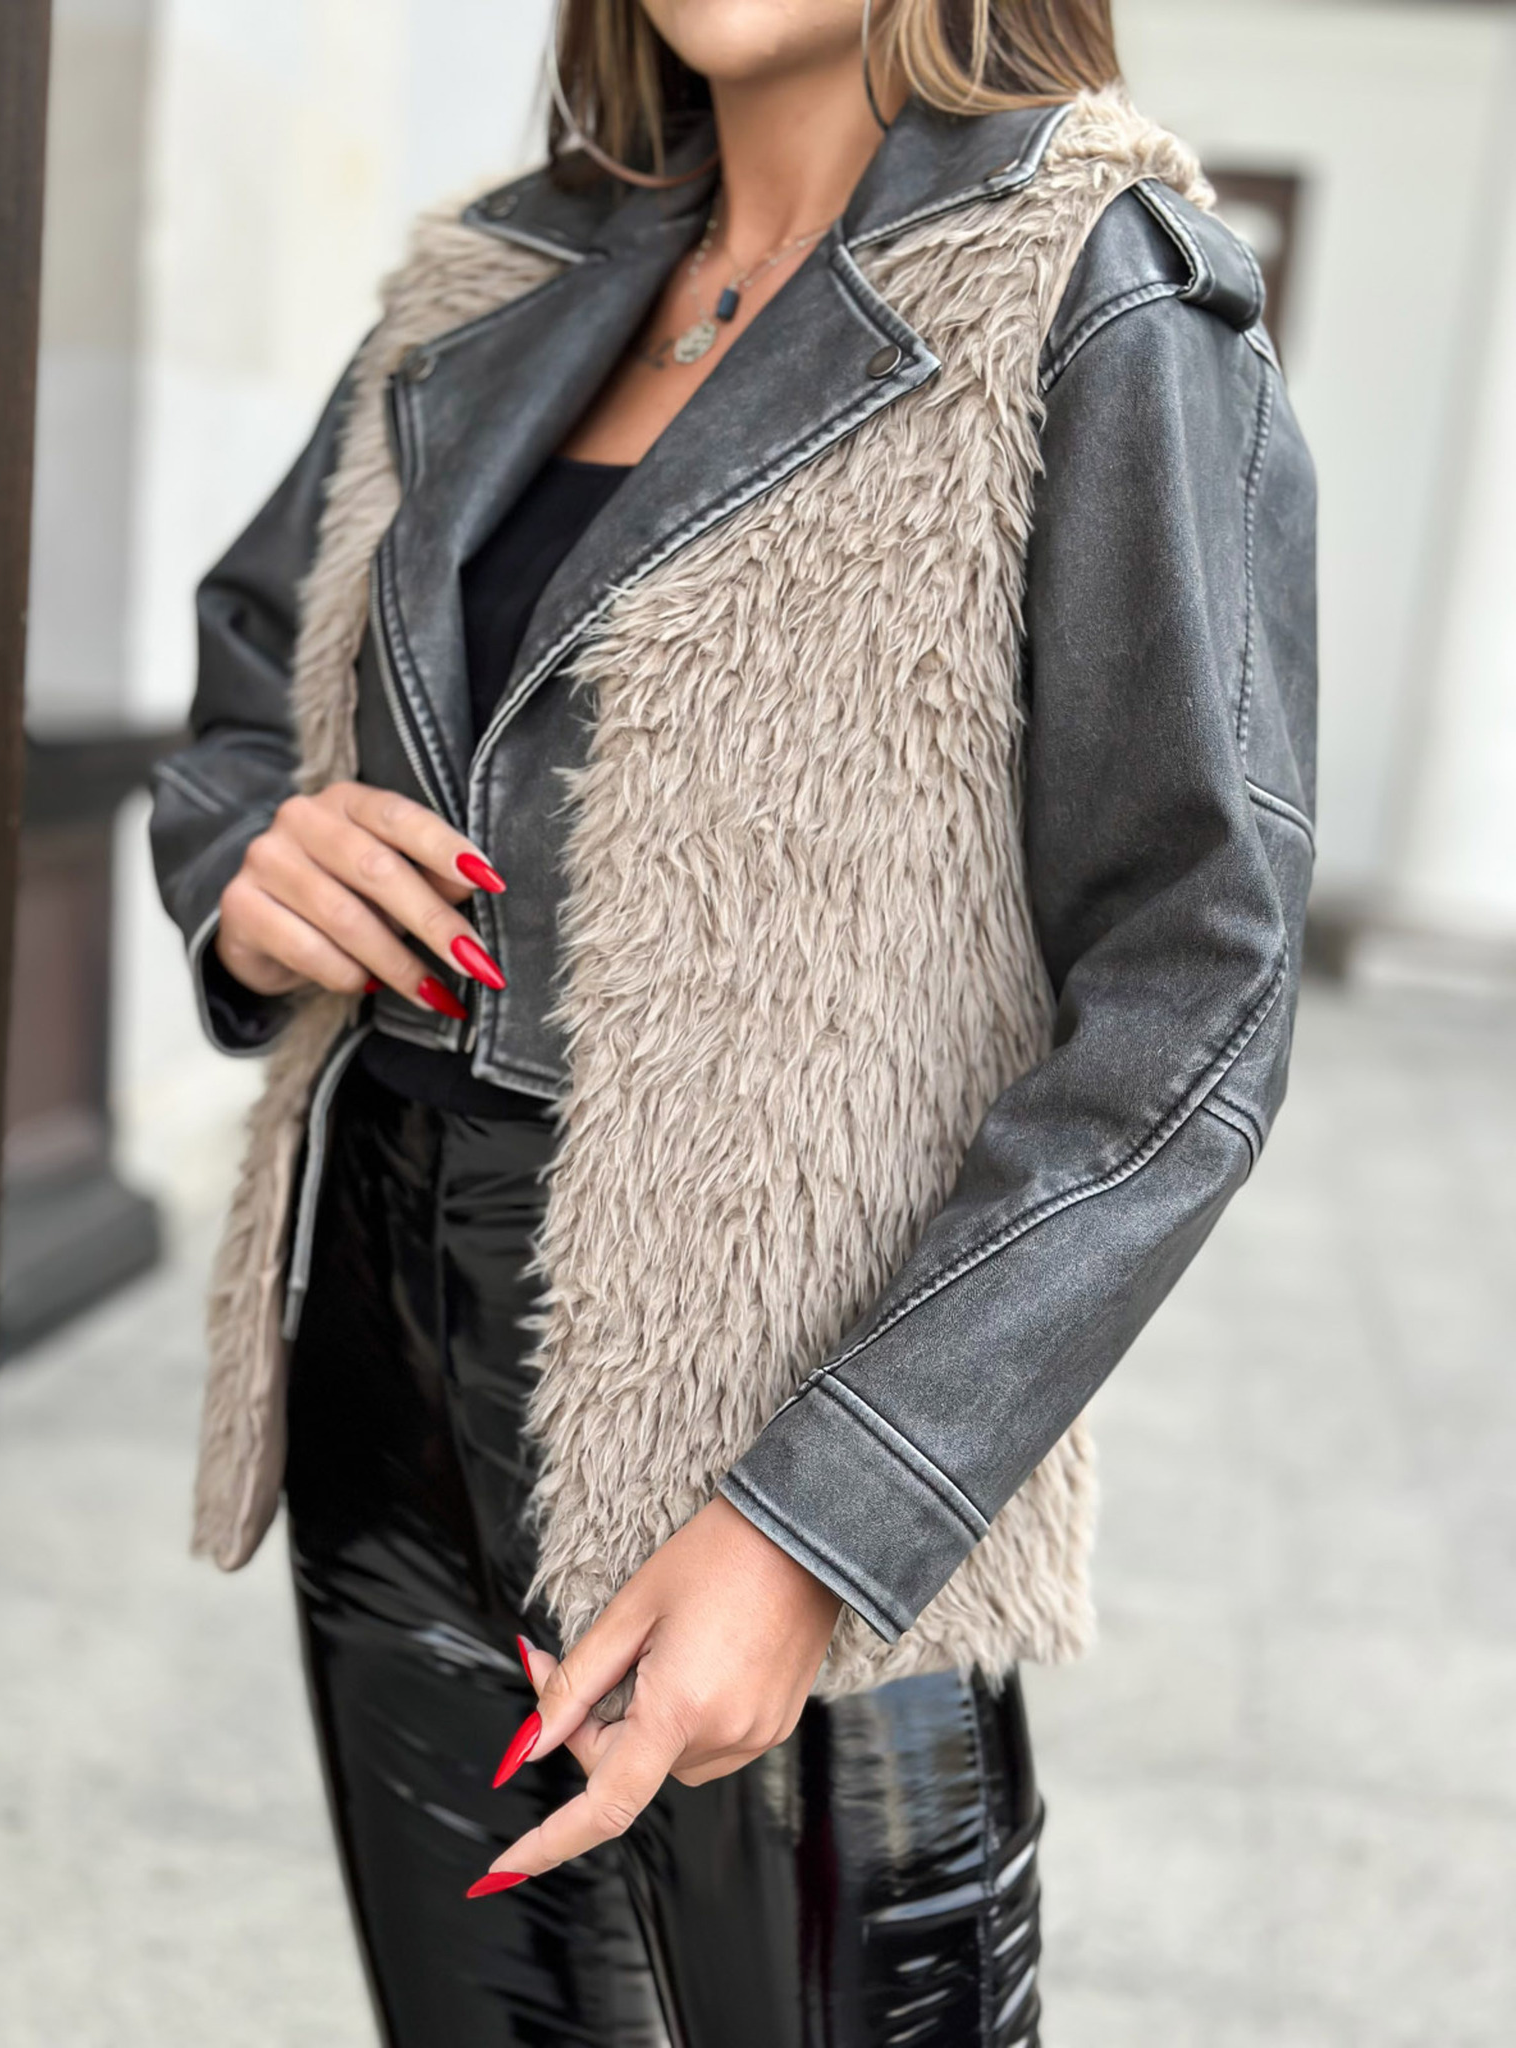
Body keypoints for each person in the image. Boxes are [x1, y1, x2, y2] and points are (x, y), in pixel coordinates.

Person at [149, 0, 1316, 2040]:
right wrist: (253, 865)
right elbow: (258, 681)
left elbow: (1196, 981)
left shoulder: (1092, 285)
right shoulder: (489, 275)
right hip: (380, 1349)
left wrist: (823, 1519)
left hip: (772, 1380)